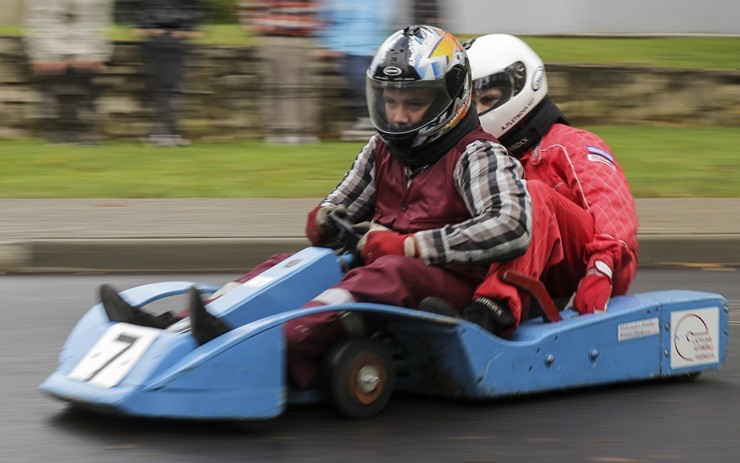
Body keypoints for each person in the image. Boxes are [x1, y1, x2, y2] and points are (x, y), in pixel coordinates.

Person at [100, 25, 534, 388]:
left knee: (389, 272)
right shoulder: (382, 148)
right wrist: (325, 219)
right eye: (392, 102)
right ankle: (179, 327)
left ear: (449, 97)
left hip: (450, 284)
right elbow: (342, 203)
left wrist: (413, 247)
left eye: (413, 103)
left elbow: (512, 225)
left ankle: (267, 351)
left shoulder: (478, 155)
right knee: (295, 263)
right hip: (382, 267)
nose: (399, 116)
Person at [423, 34, 639, 331]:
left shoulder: (572, 143)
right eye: (470, 103)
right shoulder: (477, 158)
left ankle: (493, 307)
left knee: (527, 197)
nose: (475, 112)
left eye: (486, 100)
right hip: (523, 267)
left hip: (591, 266)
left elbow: (611, 207)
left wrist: (601, 268)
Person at [23, 0, 115, 144]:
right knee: (63, 88)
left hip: (85, 51)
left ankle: (77, 130)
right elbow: (39, 20)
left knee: (79, 88)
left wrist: (98, 54)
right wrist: (41, 56)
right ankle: (66, 131)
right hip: (52, 51)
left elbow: (99, 21)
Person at [238, 0, 323, 144]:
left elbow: (316, 9)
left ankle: (301, 130)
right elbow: (250, 10)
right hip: (275, 38)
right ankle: (284, 131)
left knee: (302, 89)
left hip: (301, 40)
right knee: (280, 88)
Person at [315, 0, 395, 141]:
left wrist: (379, 46)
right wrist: (329, 44)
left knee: (363, 73)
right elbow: (327, 19)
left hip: (367, 47)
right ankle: (367, 118)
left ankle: (369, 119)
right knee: (357, 71)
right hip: (347, 48)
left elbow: (382, 19)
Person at [127, 0, 203, 147]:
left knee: (168, 89)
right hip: (166, 42)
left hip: (167, 42)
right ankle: (163, 133)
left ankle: (167, 132)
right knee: (167, 89)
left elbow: (140, 14)